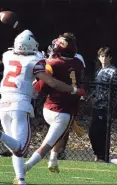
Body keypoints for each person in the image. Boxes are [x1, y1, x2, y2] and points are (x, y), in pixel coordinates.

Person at [0, 30, 85, 185]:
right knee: (20, 148)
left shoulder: (7, 56)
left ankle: (21, 179)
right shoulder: (38, 60)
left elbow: (36, 78)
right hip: (21, 105)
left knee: (15, 148)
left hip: (3, 104)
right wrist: (74, 90)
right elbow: (51, 82)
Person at [24, 32, 85, 174]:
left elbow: (40, 87)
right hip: (63, 112)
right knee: (46, 145)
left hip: (49, 108)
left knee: (59, 133)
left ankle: (53, 159)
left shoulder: (52, 63)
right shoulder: (78, 62)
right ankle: (25, 168)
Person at [88, 47, 117, 162]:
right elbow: (94, 88)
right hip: (96, 107)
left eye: (106, 56)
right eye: (102, 56)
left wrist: (98, 100)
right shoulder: (98, 71)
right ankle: (98, 154)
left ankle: (103, 157)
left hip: (105, 107)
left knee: (102, 133)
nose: (104, 58)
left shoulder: (114, 72)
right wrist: (91, 98)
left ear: (110, 57)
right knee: (92, 132)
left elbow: (112, 93)